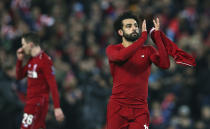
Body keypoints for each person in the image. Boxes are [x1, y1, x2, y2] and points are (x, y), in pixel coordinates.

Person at [105, 12, 170, 129]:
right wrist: (142, 39)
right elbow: (120, 57)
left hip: (140, 109)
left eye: (135, 26)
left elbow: (165, 64)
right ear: (121, 32)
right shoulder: (112, 49)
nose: (134, 28)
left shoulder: (148, 50)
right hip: (117, 107)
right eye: (129, 26)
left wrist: (158, 38)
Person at [16, 32, 65, 129]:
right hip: (31, 101)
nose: (22, 47)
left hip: (38, 102)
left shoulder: (45, 60)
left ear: (30, 45)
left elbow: (53, 84)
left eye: (23, 44)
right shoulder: (32, 60)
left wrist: (57, 107)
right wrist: (19, 60)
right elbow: (19, 76)